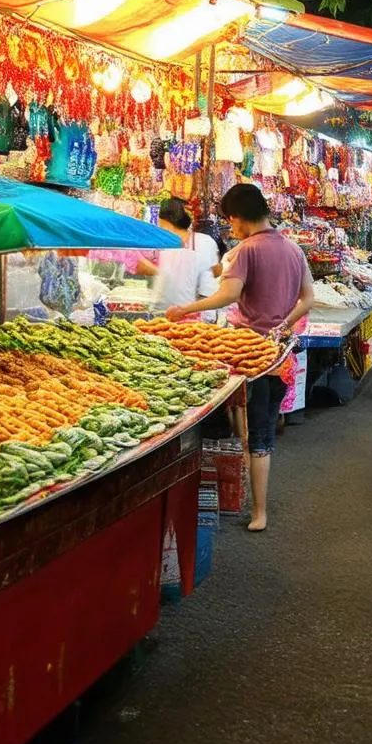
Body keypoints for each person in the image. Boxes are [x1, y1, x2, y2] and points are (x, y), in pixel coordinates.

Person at [166, 184, 315, 532]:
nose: (230, 228)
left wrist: (186, 308)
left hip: (249, 353)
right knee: (262, 430)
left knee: (254, 433)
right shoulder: (294, 249)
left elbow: (227, 295)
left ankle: (258, 511)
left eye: (229, 221)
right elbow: (308, 298)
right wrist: (283, 325)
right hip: (278, 355)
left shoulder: (247, 249)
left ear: (237, 218)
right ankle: (254, 504)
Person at [135, 197, 220, 313]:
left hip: (193, 314)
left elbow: (139, 265)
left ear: (164, 222)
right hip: (169, 312)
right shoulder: (206, 241)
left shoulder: (163, 243)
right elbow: (216, 271)